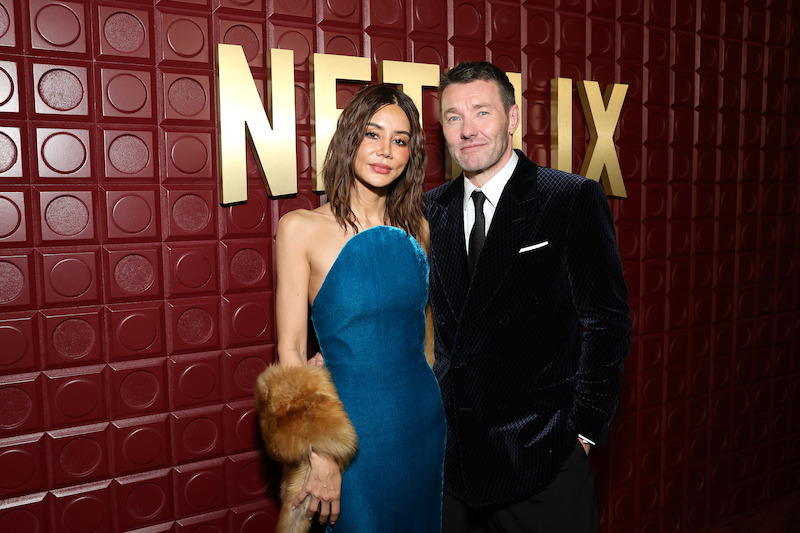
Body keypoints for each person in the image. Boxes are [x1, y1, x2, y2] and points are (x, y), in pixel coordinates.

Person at [426, 61, 632, 532]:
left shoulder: (569, 198)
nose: (468, 129)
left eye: (482, 112)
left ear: (513, 118)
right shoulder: (428, 210)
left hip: (542, 456)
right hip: (453, 464)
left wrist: (584, 429)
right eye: (454, 117)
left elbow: (607, 320)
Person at [270, 84, 445, 532]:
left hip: (422, 423)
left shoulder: (419, 230)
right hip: (349, 435)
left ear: (411, 155)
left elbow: (421, 335)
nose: (385, 150)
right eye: (373, 134)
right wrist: (320, 452)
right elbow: (291, 351)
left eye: (400, 140)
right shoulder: (300, 228)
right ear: (350, 138)